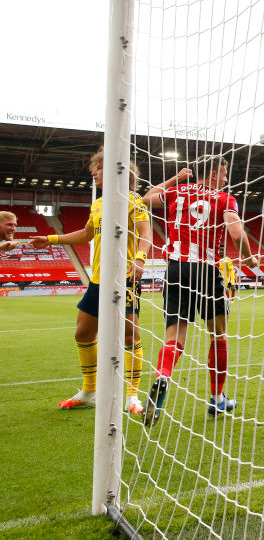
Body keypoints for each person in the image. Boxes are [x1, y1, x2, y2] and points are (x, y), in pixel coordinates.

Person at [31, 150, 153, 413]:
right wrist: (51, 239)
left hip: (125, 280)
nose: (93, 172)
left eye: (98, 168)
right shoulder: (98, 204)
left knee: (130, 335)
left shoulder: (132, 200)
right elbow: (87, 234)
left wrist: (140, 259)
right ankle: (90, 391)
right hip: (98, 280)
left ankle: (132, 396)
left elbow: (146, 233)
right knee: (83, 333)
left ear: (114, 170)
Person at [141, 156, 258, 427]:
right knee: (218, 334)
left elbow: (146, 198)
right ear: (215, 173)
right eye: (225, 173)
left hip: (175, 269)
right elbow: (237, 235)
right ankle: (217, 398)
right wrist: (250, 259)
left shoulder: (176, 193)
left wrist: (176, 179)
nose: (227, 179)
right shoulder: (224, 199)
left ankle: (163, 375)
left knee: (175, 336)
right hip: (206, 270)